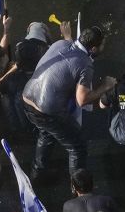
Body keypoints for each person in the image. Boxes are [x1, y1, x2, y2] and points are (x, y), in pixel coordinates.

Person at [22, 25, 115, 182]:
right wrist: (105, 86)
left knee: (46, 134)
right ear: (93, 48)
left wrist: (67, 36)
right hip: (48, 113)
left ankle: (38, 173)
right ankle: (78, 188)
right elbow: (82, 99)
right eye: (102, 45)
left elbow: (68, 51)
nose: (103, 47)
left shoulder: (60, 44)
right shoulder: (85, 63)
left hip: (27, 100)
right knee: (77, 147)